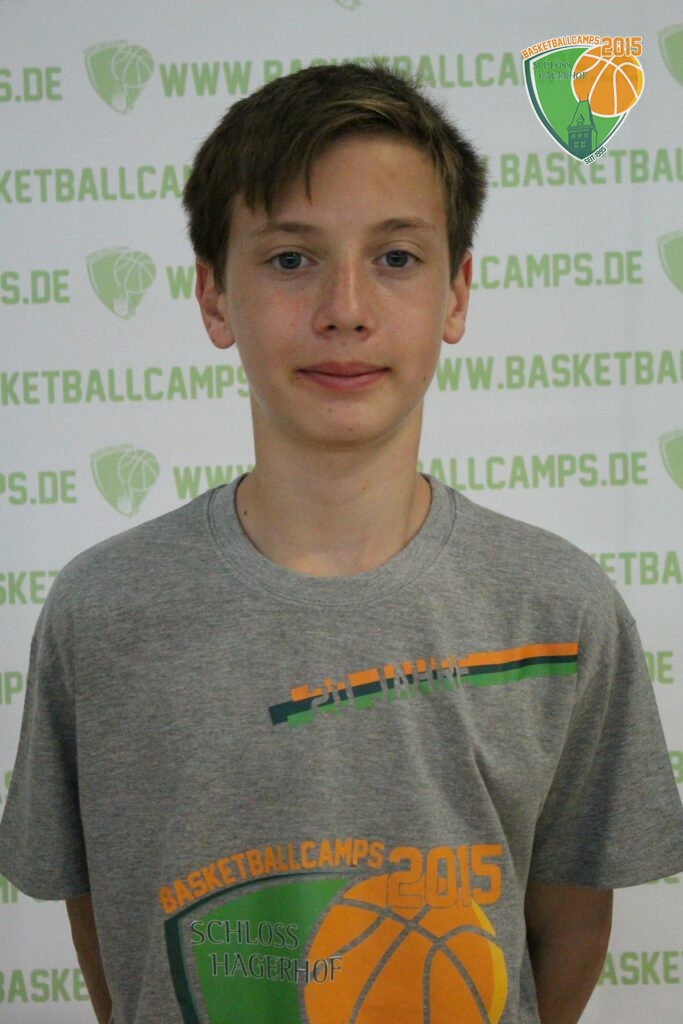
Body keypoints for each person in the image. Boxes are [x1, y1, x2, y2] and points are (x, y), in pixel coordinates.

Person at [0, 62, 682, 1024]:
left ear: (456, 295)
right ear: (213, 297)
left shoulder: (557, 607)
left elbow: (567, 931)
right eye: (290, 260)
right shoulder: (103, 610)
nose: (345, 307)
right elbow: (114, 928)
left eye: (396, 257)